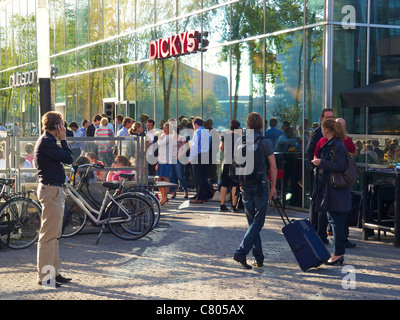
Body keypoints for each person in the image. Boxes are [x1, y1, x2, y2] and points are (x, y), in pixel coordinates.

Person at [233, 112, 277, 270]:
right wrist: (273, 187)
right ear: (261, 125)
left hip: (245, 184)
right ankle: (241, 252)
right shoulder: (264, 141)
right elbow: (273, 166)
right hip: (260, 184)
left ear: (248, 124)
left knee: (253, 222)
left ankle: (259, 259)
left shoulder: (240, 140)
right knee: (258, 222)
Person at [34, 111, 73, 288]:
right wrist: (64, 139)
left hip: (52, 189)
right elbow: (68, 158)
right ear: (57, 126)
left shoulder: (47, 141)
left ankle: (53, 273)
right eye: (62, 125)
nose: (63, 128)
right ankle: (46, 277)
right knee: (48, 236)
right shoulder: (48, 142)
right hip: (51, 190)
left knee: (54, 235)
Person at [311, 119, 351, 266]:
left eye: (322, 128)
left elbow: (340, 166)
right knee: (334, 221)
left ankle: (338, 253)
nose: (321, 130)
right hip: (331, 189)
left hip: (335, 190)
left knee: (336, 222)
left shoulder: (337, 144)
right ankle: (337, 253)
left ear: (327, 130)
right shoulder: (333, 143)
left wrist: (321, 162)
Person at [307, 108, 334, 230]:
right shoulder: (318, 132)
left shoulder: (335, 132)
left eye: (332, 117)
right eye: (328, 117)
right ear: (322, 119)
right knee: (317, 200)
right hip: (320, 171)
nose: (330, 119)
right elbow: (310, 150)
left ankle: (323, 228)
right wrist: (315, 166)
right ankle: (314, 227)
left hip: (329, 172)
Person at [219, 119, 242, 212]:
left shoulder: (225, 136)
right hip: (236, 162)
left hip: (226, 161)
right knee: (234, 184)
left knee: (224, 184)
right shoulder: (240, 137)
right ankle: (233, 206)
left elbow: (221, 148)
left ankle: (222, 204)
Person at [189, 117, 210, 204]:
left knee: (198, 177)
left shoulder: (197, 132)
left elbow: (195, 146)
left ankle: (200, 197)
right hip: (206, 155)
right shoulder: (207, 132)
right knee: (204, 176)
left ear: (196, 124)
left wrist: (191, 157)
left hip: (198, 155)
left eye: (193, 125)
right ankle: (204, 196)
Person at [157, 122, 175, 206]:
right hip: (161, 159)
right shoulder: (165, 136)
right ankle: (163, 196)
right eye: (163, 127)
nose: (164, 129)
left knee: (165, 178)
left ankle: (164, 196)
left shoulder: (169, 137)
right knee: (159, 179)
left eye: (166, 128)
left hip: (166, 160)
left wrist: (159, 137)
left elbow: (160, 143)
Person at [169, 122, 189, 199]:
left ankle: (185, 190)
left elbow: (185, 148)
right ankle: (173, 192)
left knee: (180, 175)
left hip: (178, 158)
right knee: (171, 176)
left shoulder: (181, 138)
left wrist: (179, 155)